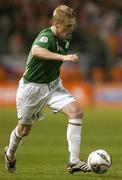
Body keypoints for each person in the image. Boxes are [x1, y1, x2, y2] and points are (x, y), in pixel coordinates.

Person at [4, 5, 91, 174]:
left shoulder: (65, 37)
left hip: (53, 85)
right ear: (57, 24)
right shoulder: (46, 36)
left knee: (76, 113)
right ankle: (9, 153)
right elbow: (37, 51)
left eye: (72, 25)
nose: (71, 29)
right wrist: (63, 57)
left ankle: (73, 162)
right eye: (68, 26)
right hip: (32, 89)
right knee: (24, 129)